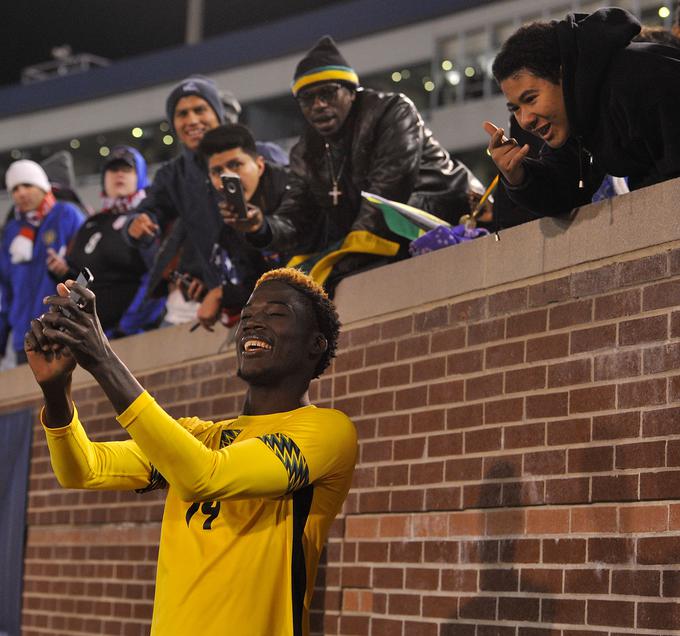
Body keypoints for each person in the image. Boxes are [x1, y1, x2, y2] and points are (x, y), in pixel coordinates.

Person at [25, 267, 356, 635]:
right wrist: (56, 391)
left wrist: (103, 358)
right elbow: (83, 469)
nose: (252, 325)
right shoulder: (197, 436)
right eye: (246, 316)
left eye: (275, 314)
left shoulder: (327, 431)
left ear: (316, 343)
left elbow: (207, 476)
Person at [226, 36, 481, 290]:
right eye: (307, 99)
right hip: (377, 233)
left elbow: (388, 192)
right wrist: (261, 226)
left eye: (327, 93)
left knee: (324, 273)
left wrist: (343, 258)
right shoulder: (304, 151)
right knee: (290, 280)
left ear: (350, 91)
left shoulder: (391, 111)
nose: (319, 105)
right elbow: (296, 217)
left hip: (449, 212)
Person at [484, 7, 680, 218]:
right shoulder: (577, 108)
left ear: (562, 73)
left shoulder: (646, 80)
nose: (525, 120)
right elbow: (564, 186)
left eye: (530, 99)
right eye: (515, 108)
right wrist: (519, 176)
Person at [126, 76, 288, 328]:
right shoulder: (173, 175)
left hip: (278, 285)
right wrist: (137, 224)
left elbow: (297, 217)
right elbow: (147, 211)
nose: (191, 120)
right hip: (224, 303)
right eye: (182, 114)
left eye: (200, 109)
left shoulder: (262, 154)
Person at [46, 146, 164, 336]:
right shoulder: (91, 223)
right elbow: (80, 278)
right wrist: (63, 272)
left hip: (134, 334)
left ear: (140, 175)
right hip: (93, 335)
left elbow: (157, 277)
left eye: (127, 169)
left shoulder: (147, 218)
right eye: (113, 170)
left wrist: (129, 325)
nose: (119, 174)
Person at [194, 123, 290, 330]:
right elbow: (255, 284)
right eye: (217, 171)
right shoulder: (229, 222)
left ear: (260, 165)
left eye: (236, 165)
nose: (227, 178)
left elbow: (298, 267)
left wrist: (259, 227)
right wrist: (222, 294)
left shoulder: (294, 191)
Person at [0, 160, 84, 365]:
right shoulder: (12, 231)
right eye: (15, 189)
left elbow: (89, 267)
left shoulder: (68, 215)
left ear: (42, 186)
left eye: (27, 185)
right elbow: (5, 290)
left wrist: (66, 270)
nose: (21, 193)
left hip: (62, 330)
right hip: (25, 338)